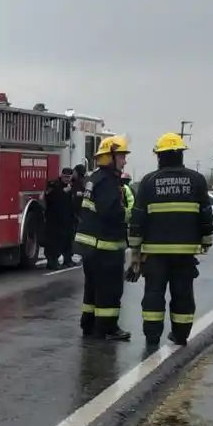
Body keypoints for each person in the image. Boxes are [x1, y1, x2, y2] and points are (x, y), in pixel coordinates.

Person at [128, 132, 213, 346]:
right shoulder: (197, 180)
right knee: (183, 293)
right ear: (181, 155)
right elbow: (205, 214)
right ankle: (180, 334)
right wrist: (206, 240)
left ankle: (152, 337)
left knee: (154, 294)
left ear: (160, 156)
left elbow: (138, 218)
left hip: (155, 253)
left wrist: (135, 251)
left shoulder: (148, 181)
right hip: (185, 253)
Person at [75, 135, 131, 341]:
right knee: (110, 289)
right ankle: (107, 327)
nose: (125, 161)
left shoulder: (94, 178)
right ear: (111, 156)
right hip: (105, 247)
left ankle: (89, 324)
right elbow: (112, 213)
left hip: (90, 247)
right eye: (122, 156)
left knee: (92, 288)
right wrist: (129, 214)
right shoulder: (108, 181)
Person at [43, 168, 78, 269]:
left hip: (68, 218)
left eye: (69, 177)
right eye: (65, 177)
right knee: (53, 242)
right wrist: (62, 192)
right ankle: (52, 262)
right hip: (54, 219)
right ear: (61, 176)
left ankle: (67, 260)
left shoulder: (72, 185)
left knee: (67, 240)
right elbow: (49, 198)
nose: (66, 179)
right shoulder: (54, 185)